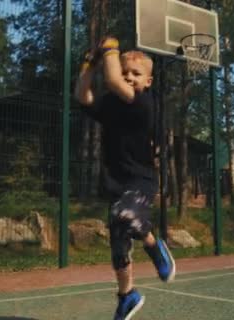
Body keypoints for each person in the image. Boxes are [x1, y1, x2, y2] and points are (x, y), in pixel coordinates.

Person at [74, 36, 175, 320]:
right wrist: (88, 65)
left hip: (141, 181)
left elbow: (114, 80)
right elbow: (82, 96)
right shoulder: (111, 104)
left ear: (148, 82)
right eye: (126, 71)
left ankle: (156, 248)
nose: (129, 77)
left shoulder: (143, 103)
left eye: (136, 74)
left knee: (126, 214)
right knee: (118, 245)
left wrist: (110, 50)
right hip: (116, 184)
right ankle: (127, 295)